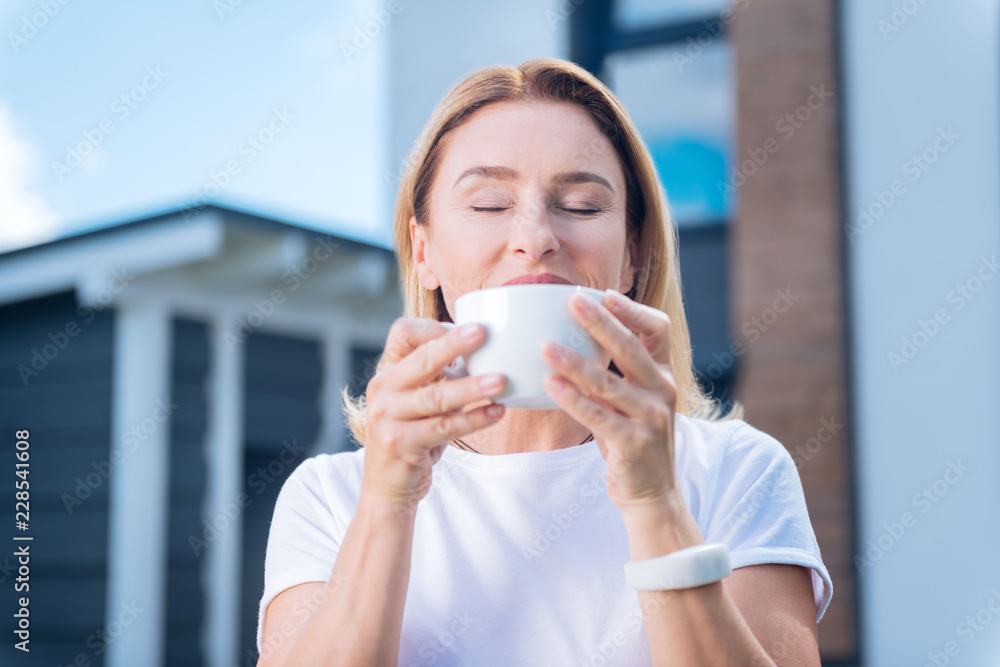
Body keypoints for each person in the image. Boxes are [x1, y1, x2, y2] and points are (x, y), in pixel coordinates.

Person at [255, 57, 833, 666]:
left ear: (632, 254)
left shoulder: (735, 472)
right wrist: (388, 501)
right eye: (487, 204)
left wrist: (655, 503)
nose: (536, 237)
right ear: (424, 251)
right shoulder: (330, 498)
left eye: (582, 205)